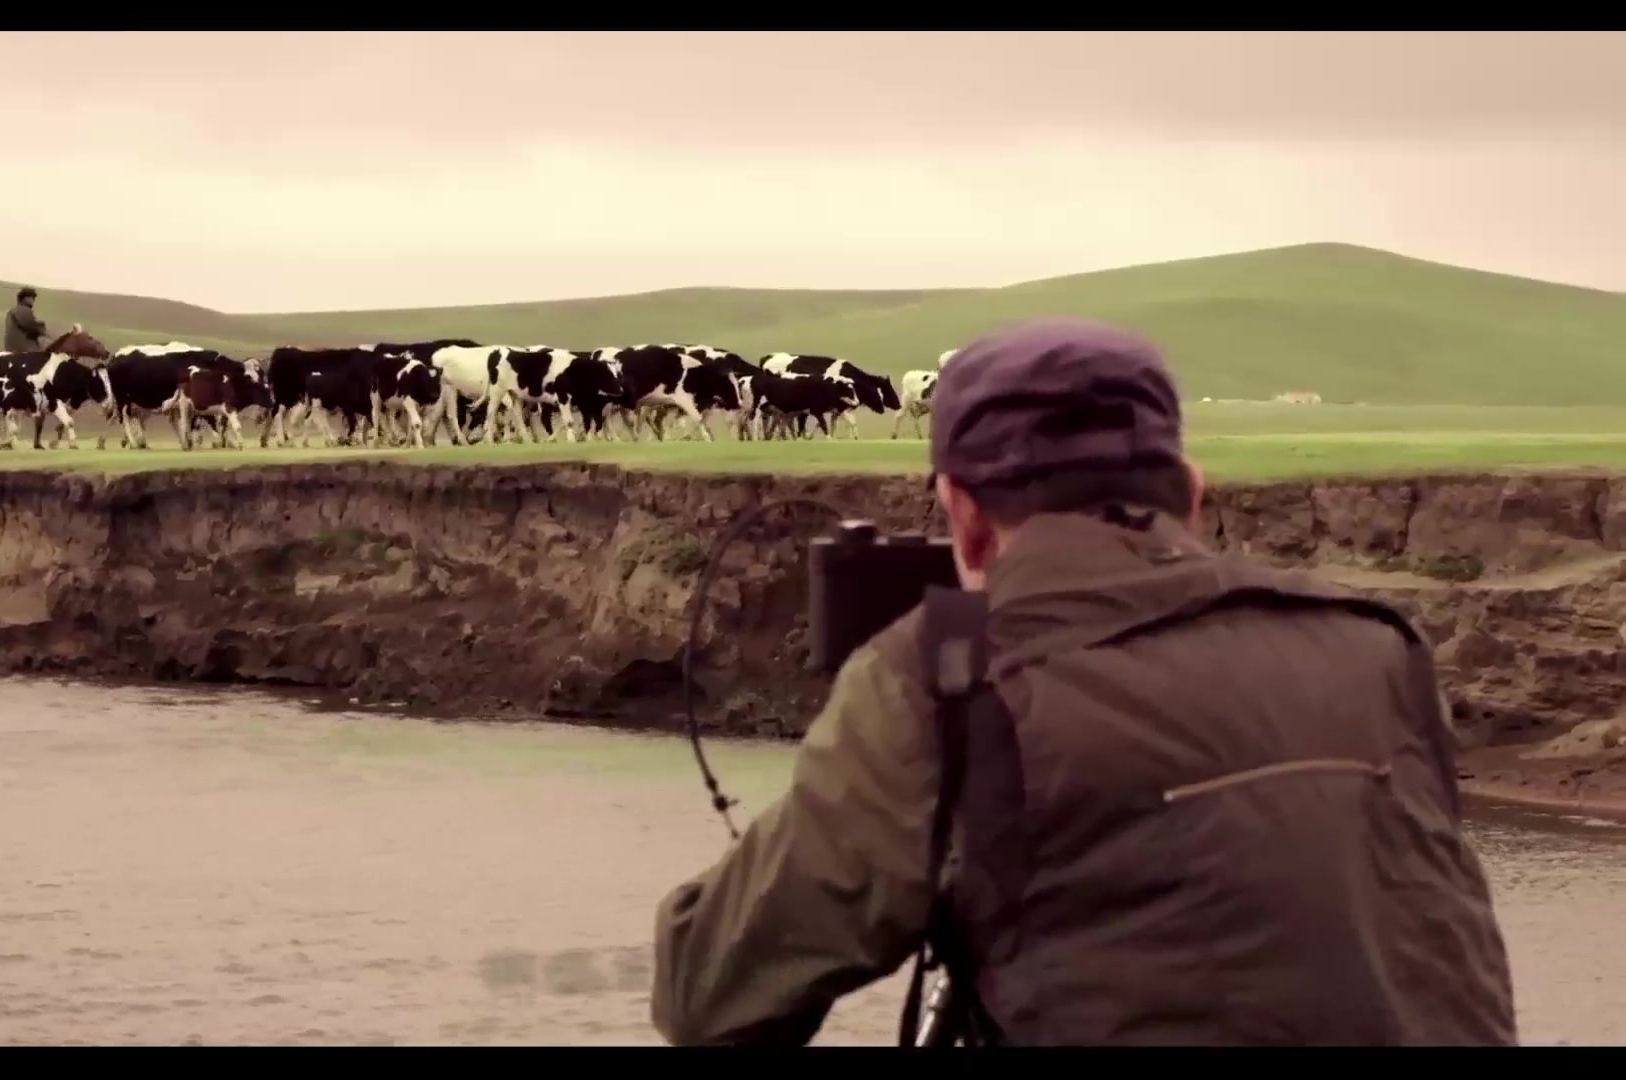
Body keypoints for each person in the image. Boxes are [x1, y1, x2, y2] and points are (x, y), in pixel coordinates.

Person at [648, 317, 1517, 1047]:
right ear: (1192, 493)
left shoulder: (945, 675)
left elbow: (710, 994)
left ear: (964, 514)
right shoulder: (1373, 646)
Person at [4, 286, 48, 352]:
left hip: (13, 348)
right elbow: (30, 326)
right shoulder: (23, 310)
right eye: (31, 297)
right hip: (23, 349)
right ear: (24, 298)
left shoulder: (14, 310)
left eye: (33, 298)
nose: (33, 300)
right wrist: (42, 328)